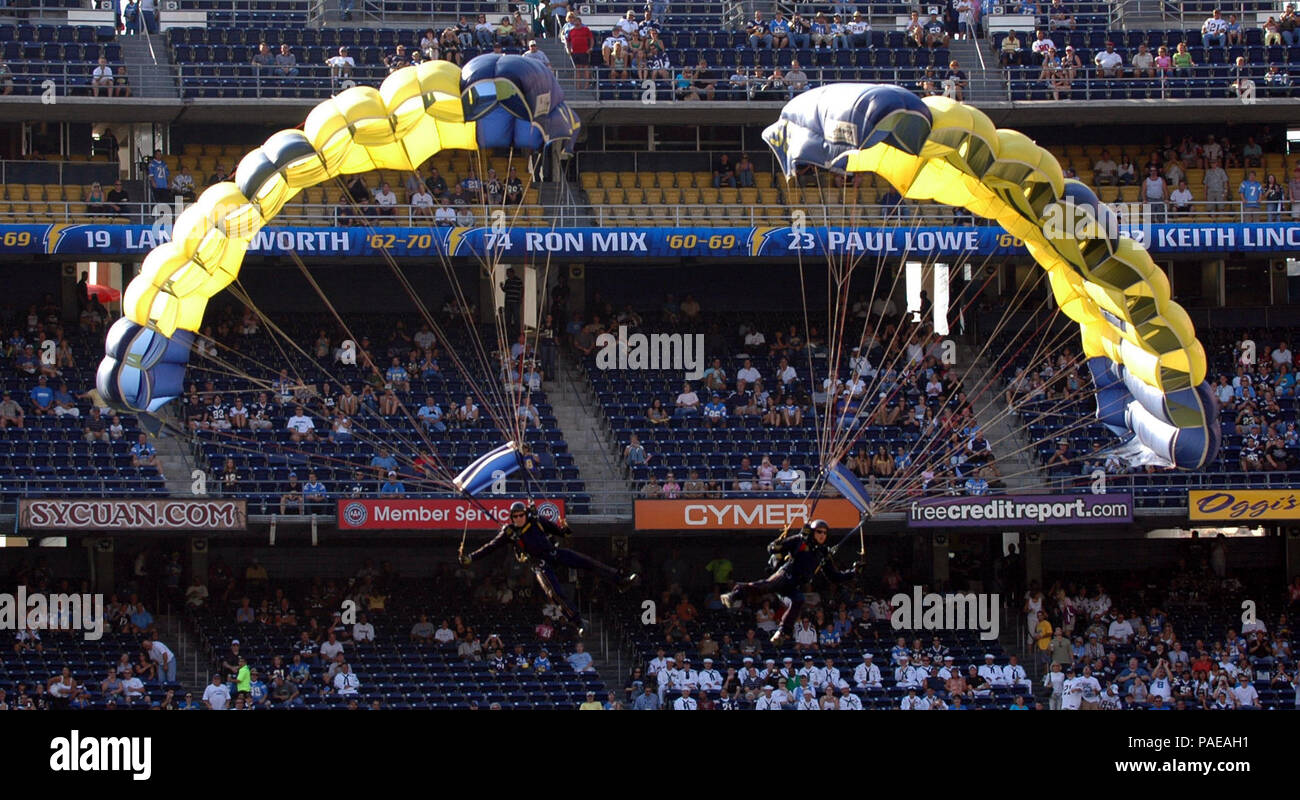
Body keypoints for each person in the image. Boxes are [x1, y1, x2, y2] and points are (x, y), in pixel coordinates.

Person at [461, 502, 636, 634]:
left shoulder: (537, 520)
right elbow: (490, 547)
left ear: (526, 514)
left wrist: (565, 528)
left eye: (521, 515)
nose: (518, 519)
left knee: (587, 562)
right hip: (538, 563)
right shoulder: (509, 532)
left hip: (553, 553)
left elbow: (561, 532)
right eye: (515, 517)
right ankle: (576, 621)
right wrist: (470, 558)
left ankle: (620, 580)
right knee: (554, 592)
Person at [721, 520, 862, 645]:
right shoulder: (800, 541)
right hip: (785, 576)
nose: (822, 535)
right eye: (819, 532)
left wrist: (853, 572)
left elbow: (834, 577)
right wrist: (799, 537)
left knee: (798, 600)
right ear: (813, 532)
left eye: (825, 533)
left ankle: (782, 632)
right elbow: (773, 548)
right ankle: (733, 594)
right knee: (764, 587)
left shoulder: (823, 552)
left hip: (793, 585)